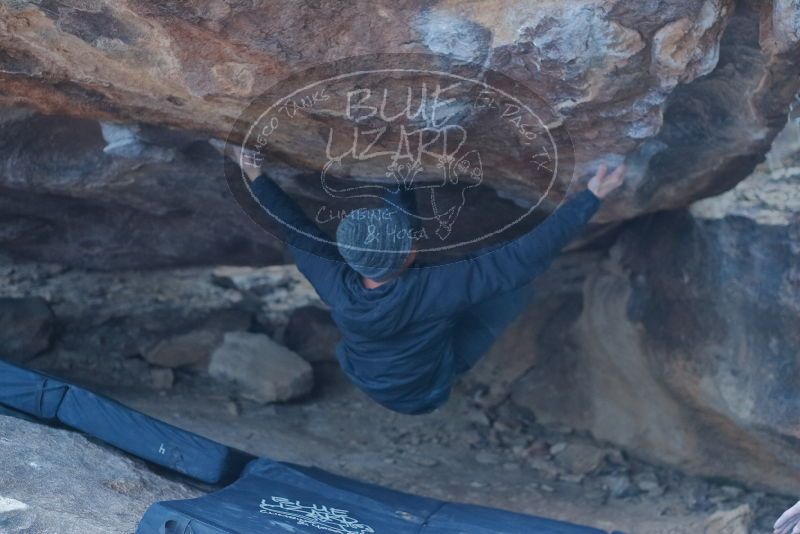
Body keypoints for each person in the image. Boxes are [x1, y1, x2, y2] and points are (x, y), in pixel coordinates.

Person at [218, 141, 624, 415]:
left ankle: (401, 184)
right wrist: (590, 198)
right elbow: (517, 262)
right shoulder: (436, 289)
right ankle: (404, 194)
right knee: (513, 288)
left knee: (480, 279)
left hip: (367, 372)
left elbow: (293, 227)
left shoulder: (333, 279)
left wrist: (253, 171)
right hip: (426, 390)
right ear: (412, 252)